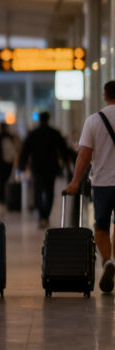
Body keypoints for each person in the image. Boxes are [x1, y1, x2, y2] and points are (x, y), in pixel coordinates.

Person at [65, 81, 115, 293]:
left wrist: (75, 182)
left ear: (105, 95)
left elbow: (84, 156)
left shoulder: (94, 120)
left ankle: (107, 261)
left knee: (101, 227)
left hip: (103, 183)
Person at [19, 112, 71, 229]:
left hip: (36, 168)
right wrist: (66, 166)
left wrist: (22, 165)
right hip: (51, 168)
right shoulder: (55, 133)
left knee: (37, 192)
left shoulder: (33, 134)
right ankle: (45, 216)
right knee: (49, 192)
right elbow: (63, 150)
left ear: (39, 120)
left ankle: (42, 216)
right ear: (48, 119)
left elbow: (25, 151)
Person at [0, 122, 17, 208]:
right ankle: (5, 200)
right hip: (9, 162)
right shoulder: (10, 137)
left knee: (0, 182)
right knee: (6, 181)